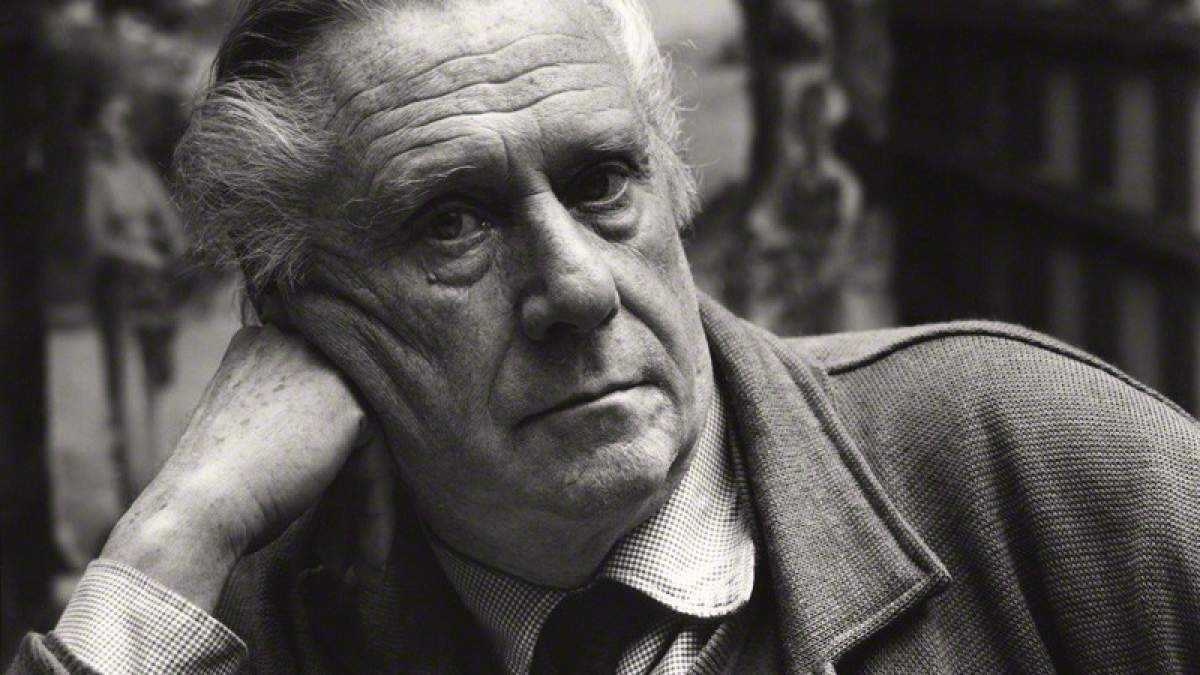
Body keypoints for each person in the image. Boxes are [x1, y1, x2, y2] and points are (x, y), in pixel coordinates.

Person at [11, 0, 1199, 672]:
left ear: (673, 190)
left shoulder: (1026, 462)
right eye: (451, 221)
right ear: (301, 309)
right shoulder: (233, 630)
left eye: (600, 183)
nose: (576, 288)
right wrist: (173, 536)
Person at [84, 94, 188, 506]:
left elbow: (170, 223)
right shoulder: (98, 177)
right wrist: (140, 255)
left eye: (124, 120)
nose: (119, 128)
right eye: (112, 120)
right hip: (119, 288)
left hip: (153, 288)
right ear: (101, 129)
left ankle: (159, 474)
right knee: (125, 384)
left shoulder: (141, 172)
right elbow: (98, 241)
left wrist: (174, 246)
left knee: (158, 378)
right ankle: (128, 484)